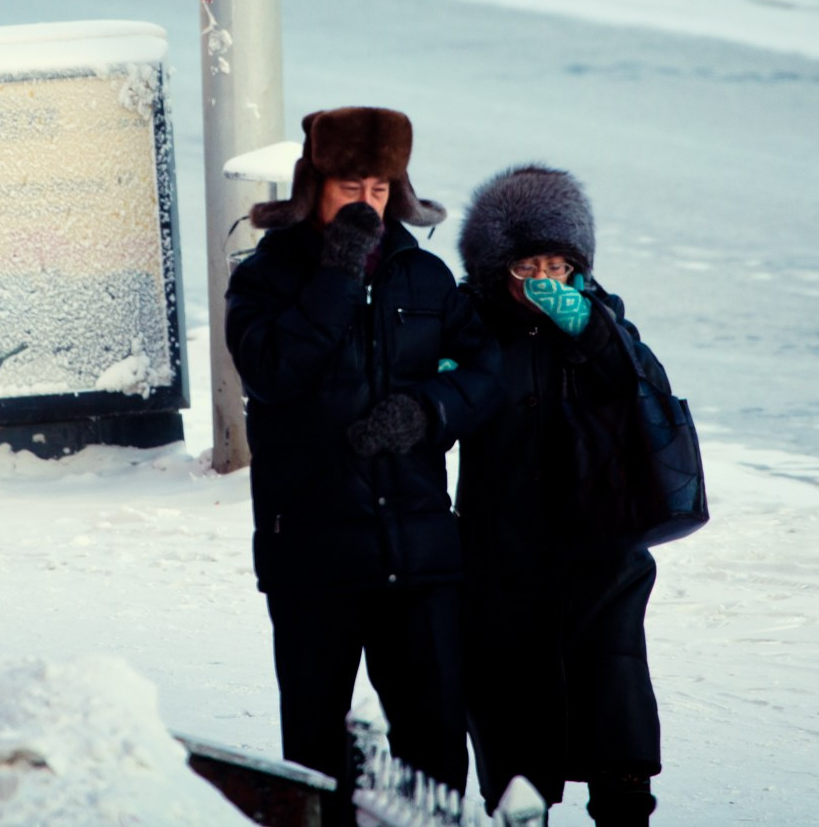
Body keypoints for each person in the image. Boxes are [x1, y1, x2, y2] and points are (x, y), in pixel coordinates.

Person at [226, 107, 500, 808]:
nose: (367, 204)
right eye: (352, 186)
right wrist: (339, 271)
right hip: (313, 553)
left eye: (380, 190)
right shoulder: (264, 277)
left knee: (435, 739)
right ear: (313, 183)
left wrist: (428, 410)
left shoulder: (427, 277)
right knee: (317, 750)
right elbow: (274, 370)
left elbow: (485, 372)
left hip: (418, 552)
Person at [456, 164, 669, 824]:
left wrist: (585, 322)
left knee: (614, 703)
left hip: (601, 552)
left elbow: (644, 387)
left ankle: (624, 806)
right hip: (504, 554)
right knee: (516, 720)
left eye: (559, 262)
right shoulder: (470, 326)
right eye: (528, 266)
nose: (545, 279)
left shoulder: (600, 319)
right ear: (497, 269)